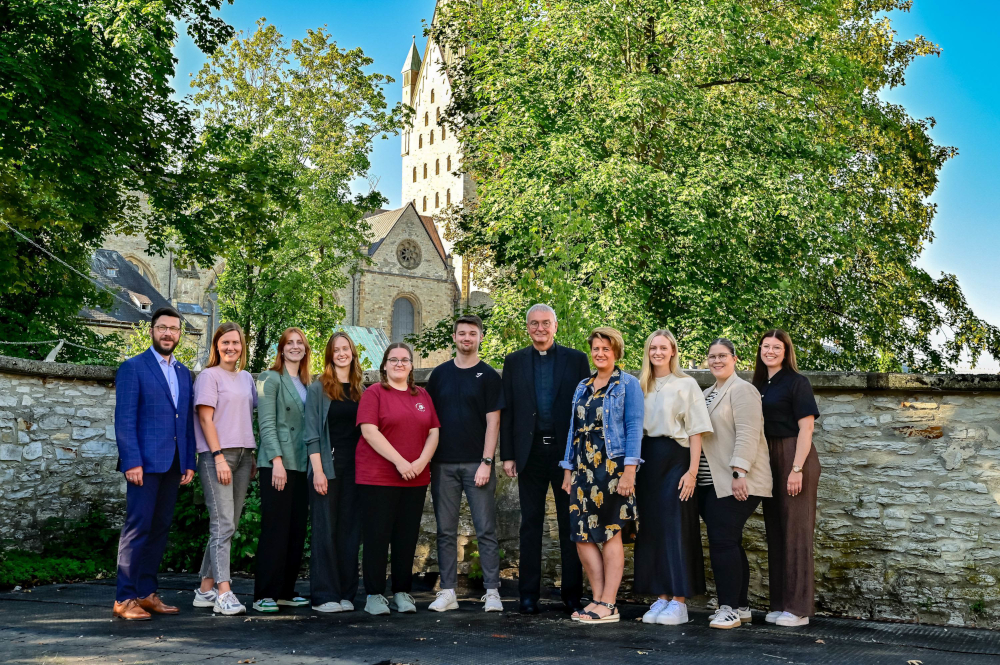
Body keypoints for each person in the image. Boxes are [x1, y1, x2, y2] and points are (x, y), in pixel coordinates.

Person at [499, 304, 590, 615]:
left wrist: (578, 455)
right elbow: (508, 411)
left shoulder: (577, 360)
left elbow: (583, 412)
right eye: (534, 324)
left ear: (555, 326)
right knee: (530, 525)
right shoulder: (513, 361)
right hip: (530, 453)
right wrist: (507, 454)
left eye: (545, 323)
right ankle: (528, 595)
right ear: (528, 327)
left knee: (571, 524)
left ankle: (572, 595)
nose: (540, 328)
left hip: (566, 455)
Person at [112, 307, 196, 620]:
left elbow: (185, 421)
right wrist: (131, 461)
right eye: (162, 327)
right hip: (143, 466)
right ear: (152, 330)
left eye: (174, 329)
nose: (168, 334)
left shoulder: (184, 373)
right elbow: (125, 419)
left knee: (159, 530)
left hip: (173, 466)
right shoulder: (133, 368)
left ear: (179, 334)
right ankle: (124, 598)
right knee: (137, 529)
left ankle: (146, 594)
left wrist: (189, 461)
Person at [560, 327, 643, 624]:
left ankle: (609, 604)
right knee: (582, 536)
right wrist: (568, 468)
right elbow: (573, 429)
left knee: (610, 535)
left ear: (616, 352)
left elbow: (634, 427)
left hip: (612, 468)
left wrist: (629, 471)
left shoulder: (628, 384)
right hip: (582, 469)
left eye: (606, 349)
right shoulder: (583, 385)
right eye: (595, 348)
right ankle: (596, 599)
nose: (600, 353)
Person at [633, 329, 713, 627]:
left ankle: (679, 601)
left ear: (673, 351)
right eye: (653, 347)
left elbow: (696, 432)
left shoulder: (686, 384)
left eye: (663, 347)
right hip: (646, 460)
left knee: (677, 527)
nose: (658, 352)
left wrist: (692, 472)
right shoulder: (640, 385)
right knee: (652, 528)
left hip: (675, 459)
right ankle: (662, 596)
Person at [426, 314, 505, 613]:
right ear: (455, 338)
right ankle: (448, 591)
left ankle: (493, 592)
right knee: (445, 531)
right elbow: (429, 421)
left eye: (472, 333)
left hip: (477, 464)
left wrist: (487, 462)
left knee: (485, 529)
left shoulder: (489, 376)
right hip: (442, 465)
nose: (467, 338)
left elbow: (493, 422)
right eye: (462, 333)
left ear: (480, 337)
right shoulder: (440, 375)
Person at [356, 342, 440, 615]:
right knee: (377, 537)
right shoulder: (374, 393)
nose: (399, 364)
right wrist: (401, 462)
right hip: (378, 478)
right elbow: (370, 432)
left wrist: (420, 462)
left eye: (405, 360)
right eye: (394, 360)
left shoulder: (423, 396)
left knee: (406, 537)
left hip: (415, 478)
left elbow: (433, 432)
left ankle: (402, 592)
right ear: (384, 365)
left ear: (412, 365)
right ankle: (374, 595)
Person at [697, 338, 773, 629]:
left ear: (734, 358)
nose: (717, 361)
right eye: (712, 356)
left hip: (736, 479)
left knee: (722, 541)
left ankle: (727, 608)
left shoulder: (743, 390)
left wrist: (739, 472)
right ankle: (741, 606)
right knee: (728, 540)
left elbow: (748, 433)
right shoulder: (706, 393)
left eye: (722, 356)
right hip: (708, 481)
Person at [753, 329, 821, 627]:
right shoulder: (757, 384)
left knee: (796, 531)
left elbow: (806, 428)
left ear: (786, 351)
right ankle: (780, 603)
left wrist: (796, 469)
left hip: (796, 455)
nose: (770, 351)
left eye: (776, 347)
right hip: (768, 455)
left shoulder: (797, 382)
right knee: (776, 530)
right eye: (766, 346)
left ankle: (798, 609)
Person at [192, 322, 258, 616]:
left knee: (228, 524)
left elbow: (245, 417)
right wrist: (218, 456)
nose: (231, 348)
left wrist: (252, 455)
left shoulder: (246, 378)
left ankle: (205, 589)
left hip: (245, 456)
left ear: (243, 347)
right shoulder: (208, 376)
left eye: (236, 343)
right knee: (223, 524)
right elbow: (206, 420)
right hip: (217, 455)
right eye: (225, 343)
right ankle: (224, 592)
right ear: (216, 346)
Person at [303, 331, 366, 613]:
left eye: (346, 348)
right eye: (336, 350)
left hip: (356, 470)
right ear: (330, 355)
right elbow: (312, 433)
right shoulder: (320, 387)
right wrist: (317, 471)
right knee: (325, 531)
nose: (342, 353)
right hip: (326, 468)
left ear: (352, 353)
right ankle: (323, 595)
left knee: (350, 532)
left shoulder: (360, 389)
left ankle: (345, 593)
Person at [252, 328, 312, 613]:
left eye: (300, 343)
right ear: (281, 348)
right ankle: (265, 593)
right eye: (290, 343)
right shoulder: (269, 378)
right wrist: (276, 461)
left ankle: (286, 591)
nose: (295, 347)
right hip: (277, 464)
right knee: (275, 529)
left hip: (302, 464)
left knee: (296, 530)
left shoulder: (307, 382)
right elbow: (267, 423)